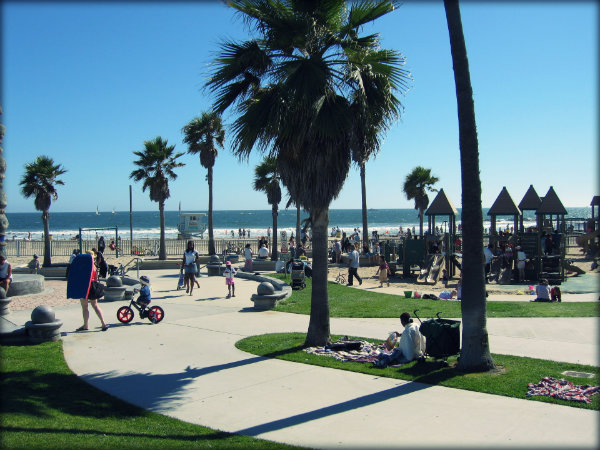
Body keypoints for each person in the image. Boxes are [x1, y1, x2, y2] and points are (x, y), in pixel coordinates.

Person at [76, 253, 108, 332]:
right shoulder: (94, 266)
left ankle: (86, 325)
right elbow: (96, 278)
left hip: (84, 287)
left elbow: (79, 277)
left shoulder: (83, 266)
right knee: (95, 306)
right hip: (92, 286)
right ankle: (103, 323)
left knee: (85, 307)